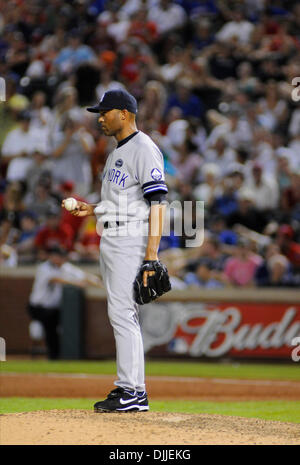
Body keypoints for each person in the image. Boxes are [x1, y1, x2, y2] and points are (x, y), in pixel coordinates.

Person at [62, 89, 168, 413]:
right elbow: (121, 202)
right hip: (111, 235)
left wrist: (152, 255)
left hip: (130, 239)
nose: (100, 118)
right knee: (120, 313)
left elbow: (158, 203)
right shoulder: (114, 153)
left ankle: (132, 392)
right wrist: (91, 209)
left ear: (124, 113)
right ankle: (132, 389)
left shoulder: (144, 148)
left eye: (105, 112)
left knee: (123, 314)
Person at [27, 247, 102, 359]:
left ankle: (55, 356)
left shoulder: (66, 267)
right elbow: (55, 279)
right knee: (48, 330)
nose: (57, 259)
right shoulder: (44, 267)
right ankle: (53, 356)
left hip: (53, 308)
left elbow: (83, 275)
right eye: (55, 256)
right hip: (38, 307)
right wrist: (75, 283)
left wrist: (99, 282)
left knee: (55, 329)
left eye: (60, 256)